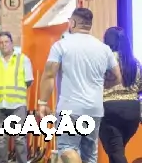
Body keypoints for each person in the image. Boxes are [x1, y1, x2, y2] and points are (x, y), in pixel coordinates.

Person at [38, 8, 121, 163]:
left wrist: (42, 102)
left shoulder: (61, 46)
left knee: (67, 148)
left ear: (73, 22)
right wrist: (101, 87)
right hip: (94, 109)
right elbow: (117, 77)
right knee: (90, 155)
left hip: (70, 109)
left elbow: (49, 74)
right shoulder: (104, 49)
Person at [0, 31, 33, 163]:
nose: (4, 45)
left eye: (6, 42)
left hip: (17, 105)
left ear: (12, 43)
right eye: (1, 43)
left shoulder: (22, 59)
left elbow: (29, 81)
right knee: (1, 139)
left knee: (20, 138)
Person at [101, 26, 142, 163]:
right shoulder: (135, 62)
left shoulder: (104, 61)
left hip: (109, 111)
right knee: (117, 152)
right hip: (133, 112)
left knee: (116, 153)